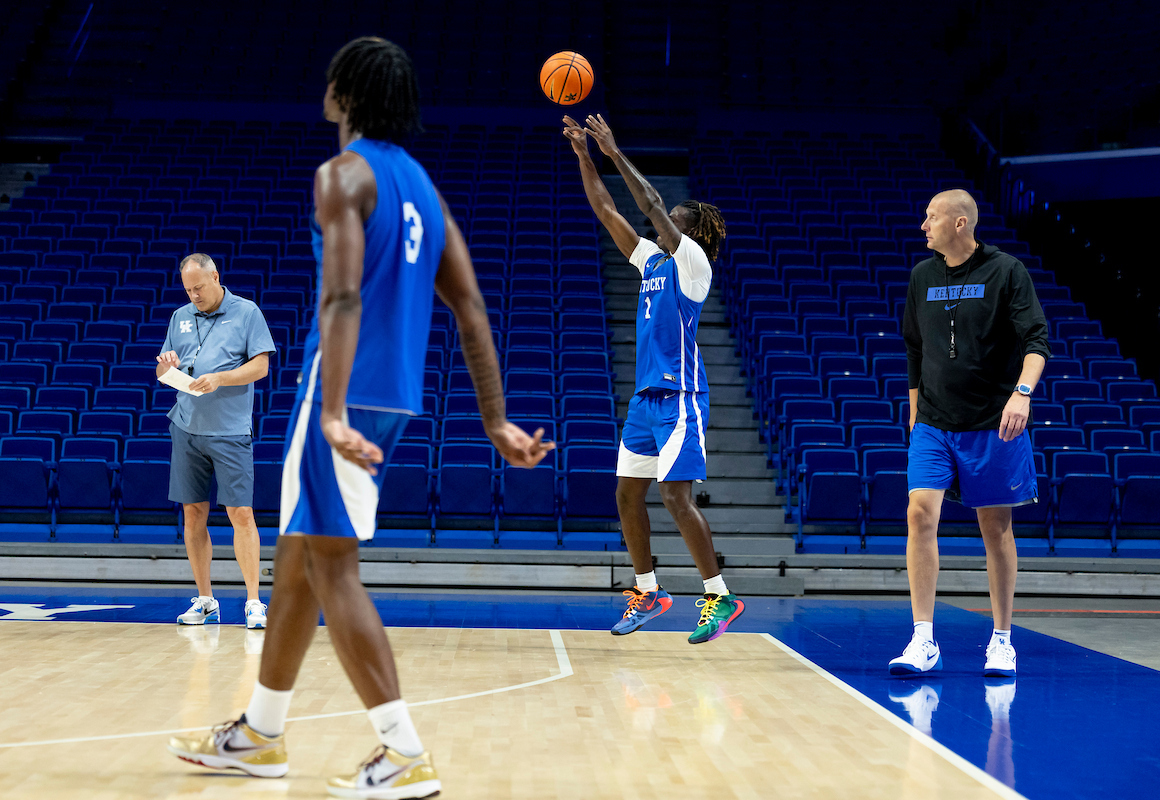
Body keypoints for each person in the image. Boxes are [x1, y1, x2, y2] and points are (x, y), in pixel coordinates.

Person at [168, 37, 552, 799]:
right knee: (300, 563)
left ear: (345, 92)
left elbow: (342, 297)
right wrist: (495, 420)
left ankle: (403, 752)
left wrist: (333, 408)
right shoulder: (423, 188)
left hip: (341, 394)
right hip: (395, 396)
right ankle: (260, 735)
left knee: (331, 567)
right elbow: (471, 309)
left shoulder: (343, 174)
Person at [563, 113, 744, 645]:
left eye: (674, 220)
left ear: (689, 230)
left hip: (681, 399)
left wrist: (614, 151)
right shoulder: (652, 264)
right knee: (626, 495)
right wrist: (583, 157)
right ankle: (650, 592)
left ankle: (719, 595)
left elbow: (648, 205)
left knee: (673, 497)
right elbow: (607, 210)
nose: (663, 224)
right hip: (645, 401)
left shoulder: (693, 264)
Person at [890, 189, 1049, 678]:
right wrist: (916, 408)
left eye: (931, 217)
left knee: (994, 526)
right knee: (920, 512)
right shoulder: (923, 276)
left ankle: (1001, 640)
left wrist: (1021, 393)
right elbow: (914, 348)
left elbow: (1036, 340)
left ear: (960, 223)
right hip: (935, 421)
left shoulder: (1005, 272)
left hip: (990, 422)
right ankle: (923, 639)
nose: (923, 225)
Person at [156, 253, 275, 630]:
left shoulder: (247, 312)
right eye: (188, 289)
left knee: (241, 514)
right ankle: (206, 600)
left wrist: (221, 378)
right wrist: (167, 363)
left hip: (230, 430)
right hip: (187, 427)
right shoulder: (180, 317)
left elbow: (261, 366)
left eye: (199, 287)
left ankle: (254, 601)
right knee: (193, 514)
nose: (194, 295)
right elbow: (164, 368)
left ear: (215, 277)